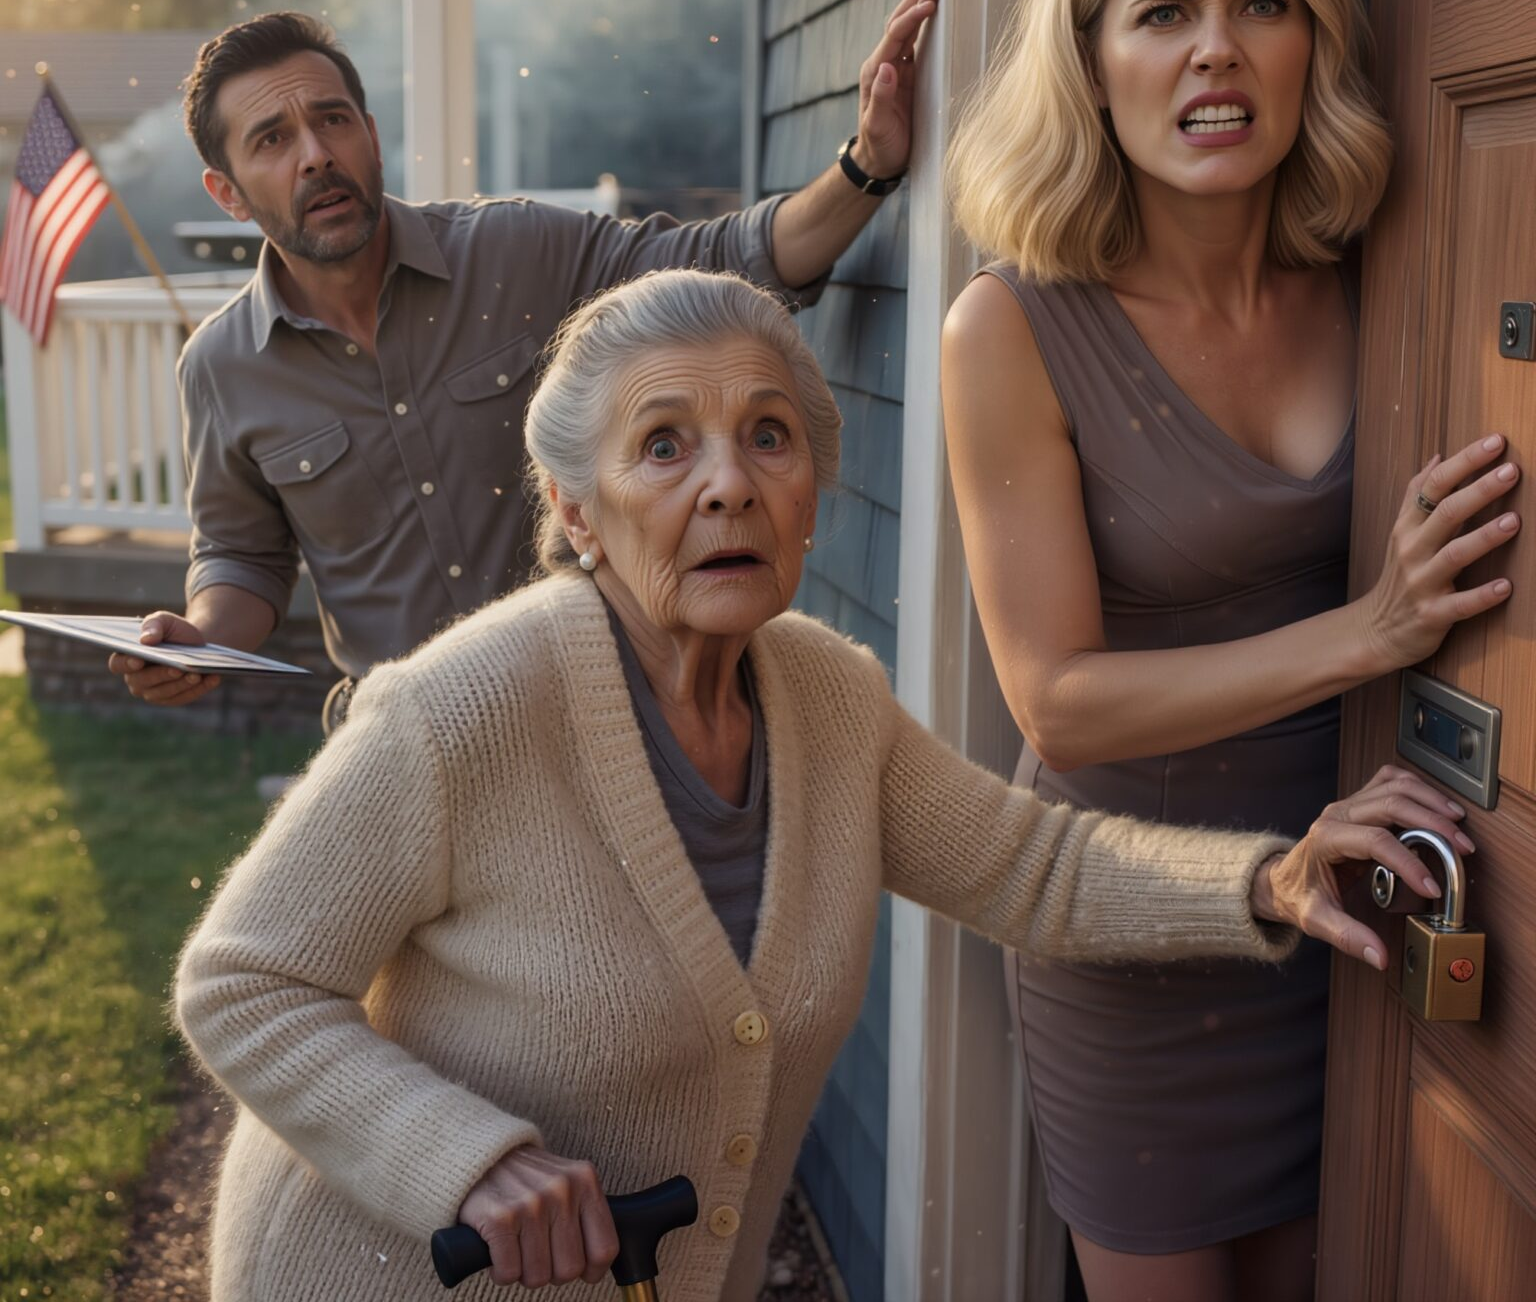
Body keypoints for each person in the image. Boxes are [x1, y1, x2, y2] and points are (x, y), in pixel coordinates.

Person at [175, 268, 1466, 1302]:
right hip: (374, 1270)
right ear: (578, 512)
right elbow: (242, 981)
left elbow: (1033, 866)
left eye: (768, 438)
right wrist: (463, 1163)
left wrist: (1272, 877)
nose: (728, 480)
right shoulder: (467, 709)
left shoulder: (827, 700)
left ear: (812, 499)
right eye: (665, 446)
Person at [940, 0, 1516, 1302]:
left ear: (1316, 41)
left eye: (1263, 5)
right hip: (1139, 929)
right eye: (1162, 13)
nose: (1217, 51)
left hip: (1370, 916)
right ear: (1090, 60)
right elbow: (1058, 702)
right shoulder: (1007, 331)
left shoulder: (1386, 280)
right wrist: (1372, 630)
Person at [109, 0, 937, 727]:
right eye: (271, 140)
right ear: (228, 193)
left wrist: (867, 166)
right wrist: (201, 638)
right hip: (402, 743)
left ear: (370, 135)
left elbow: (730, 259)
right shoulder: (223, 366)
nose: (315, 154)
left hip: (593, 718)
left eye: (332, 120)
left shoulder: (517, 255)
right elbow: (243, 556)